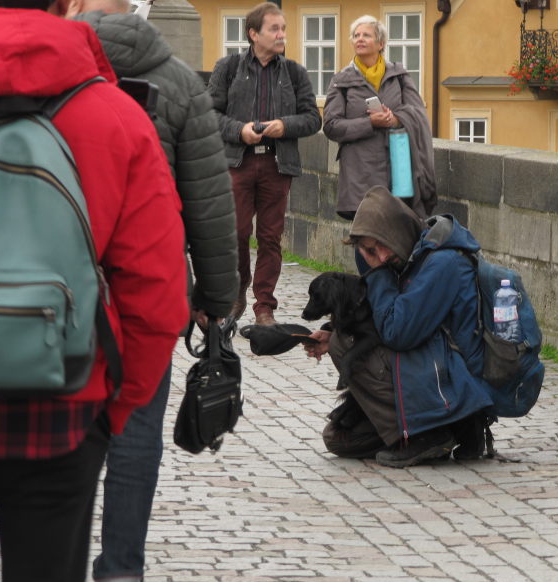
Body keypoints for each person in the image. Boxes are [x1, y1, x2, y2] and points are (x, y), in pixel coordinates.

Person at [0, 0, 190, 582]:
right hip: (62, 406)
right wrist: (111, 413)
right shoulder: (113, 113)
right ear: (64, 4)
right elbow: (157, 292)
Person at [64, 1, 240, 582]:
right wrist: (218, 296)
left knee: (63, 423)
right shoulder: (179, 82)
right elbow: (211, 202)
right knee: (137, 431)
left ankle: (51, 557)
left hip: (62, 278)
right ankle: (121, 572)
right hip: (149, 279)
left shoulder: (56, 67)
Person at [305, 186, 494, 468]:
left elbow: (397, 332)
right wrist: (333, 331)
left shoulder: (443, 263)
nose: (379, 256)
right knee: (338, 438)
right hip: (430, 369)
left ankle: (432, 433)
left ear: (394, 231)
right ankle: (437, 432)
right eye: (368, 251)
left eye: (379, 246)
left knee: (344, 345)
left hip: (454, 382)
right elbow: (383, 322)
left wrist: (376, 272)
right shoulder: (411, 257)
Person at [208, 1, 321, 327]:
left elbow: (313, 119)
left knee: (271, 238)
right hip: (237, 163)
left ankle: (264, 308)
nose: (282, 34)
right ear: (253, 34)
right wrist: (239, 130)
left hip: (277, 163)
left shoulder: (295, 72)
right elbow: (209, 115)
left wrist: (285, 126)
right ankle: (236, 294)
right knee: (236, 234)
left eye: (283, 28)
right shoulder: (228, 68)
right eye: (275, 29)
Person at [322, 15, 436, 224]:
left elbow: (418, 113)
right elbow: (331, 126)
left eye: (366, 35)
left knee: (397, 235)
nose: (360, 39)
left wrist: (395, 119)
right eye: (356, 35)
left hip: (398, 168)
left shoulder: (399, 75)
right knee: (366, 239)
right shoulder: (342, 81)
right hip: (360, 172)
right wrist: (370, 123)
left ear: (381, 43)